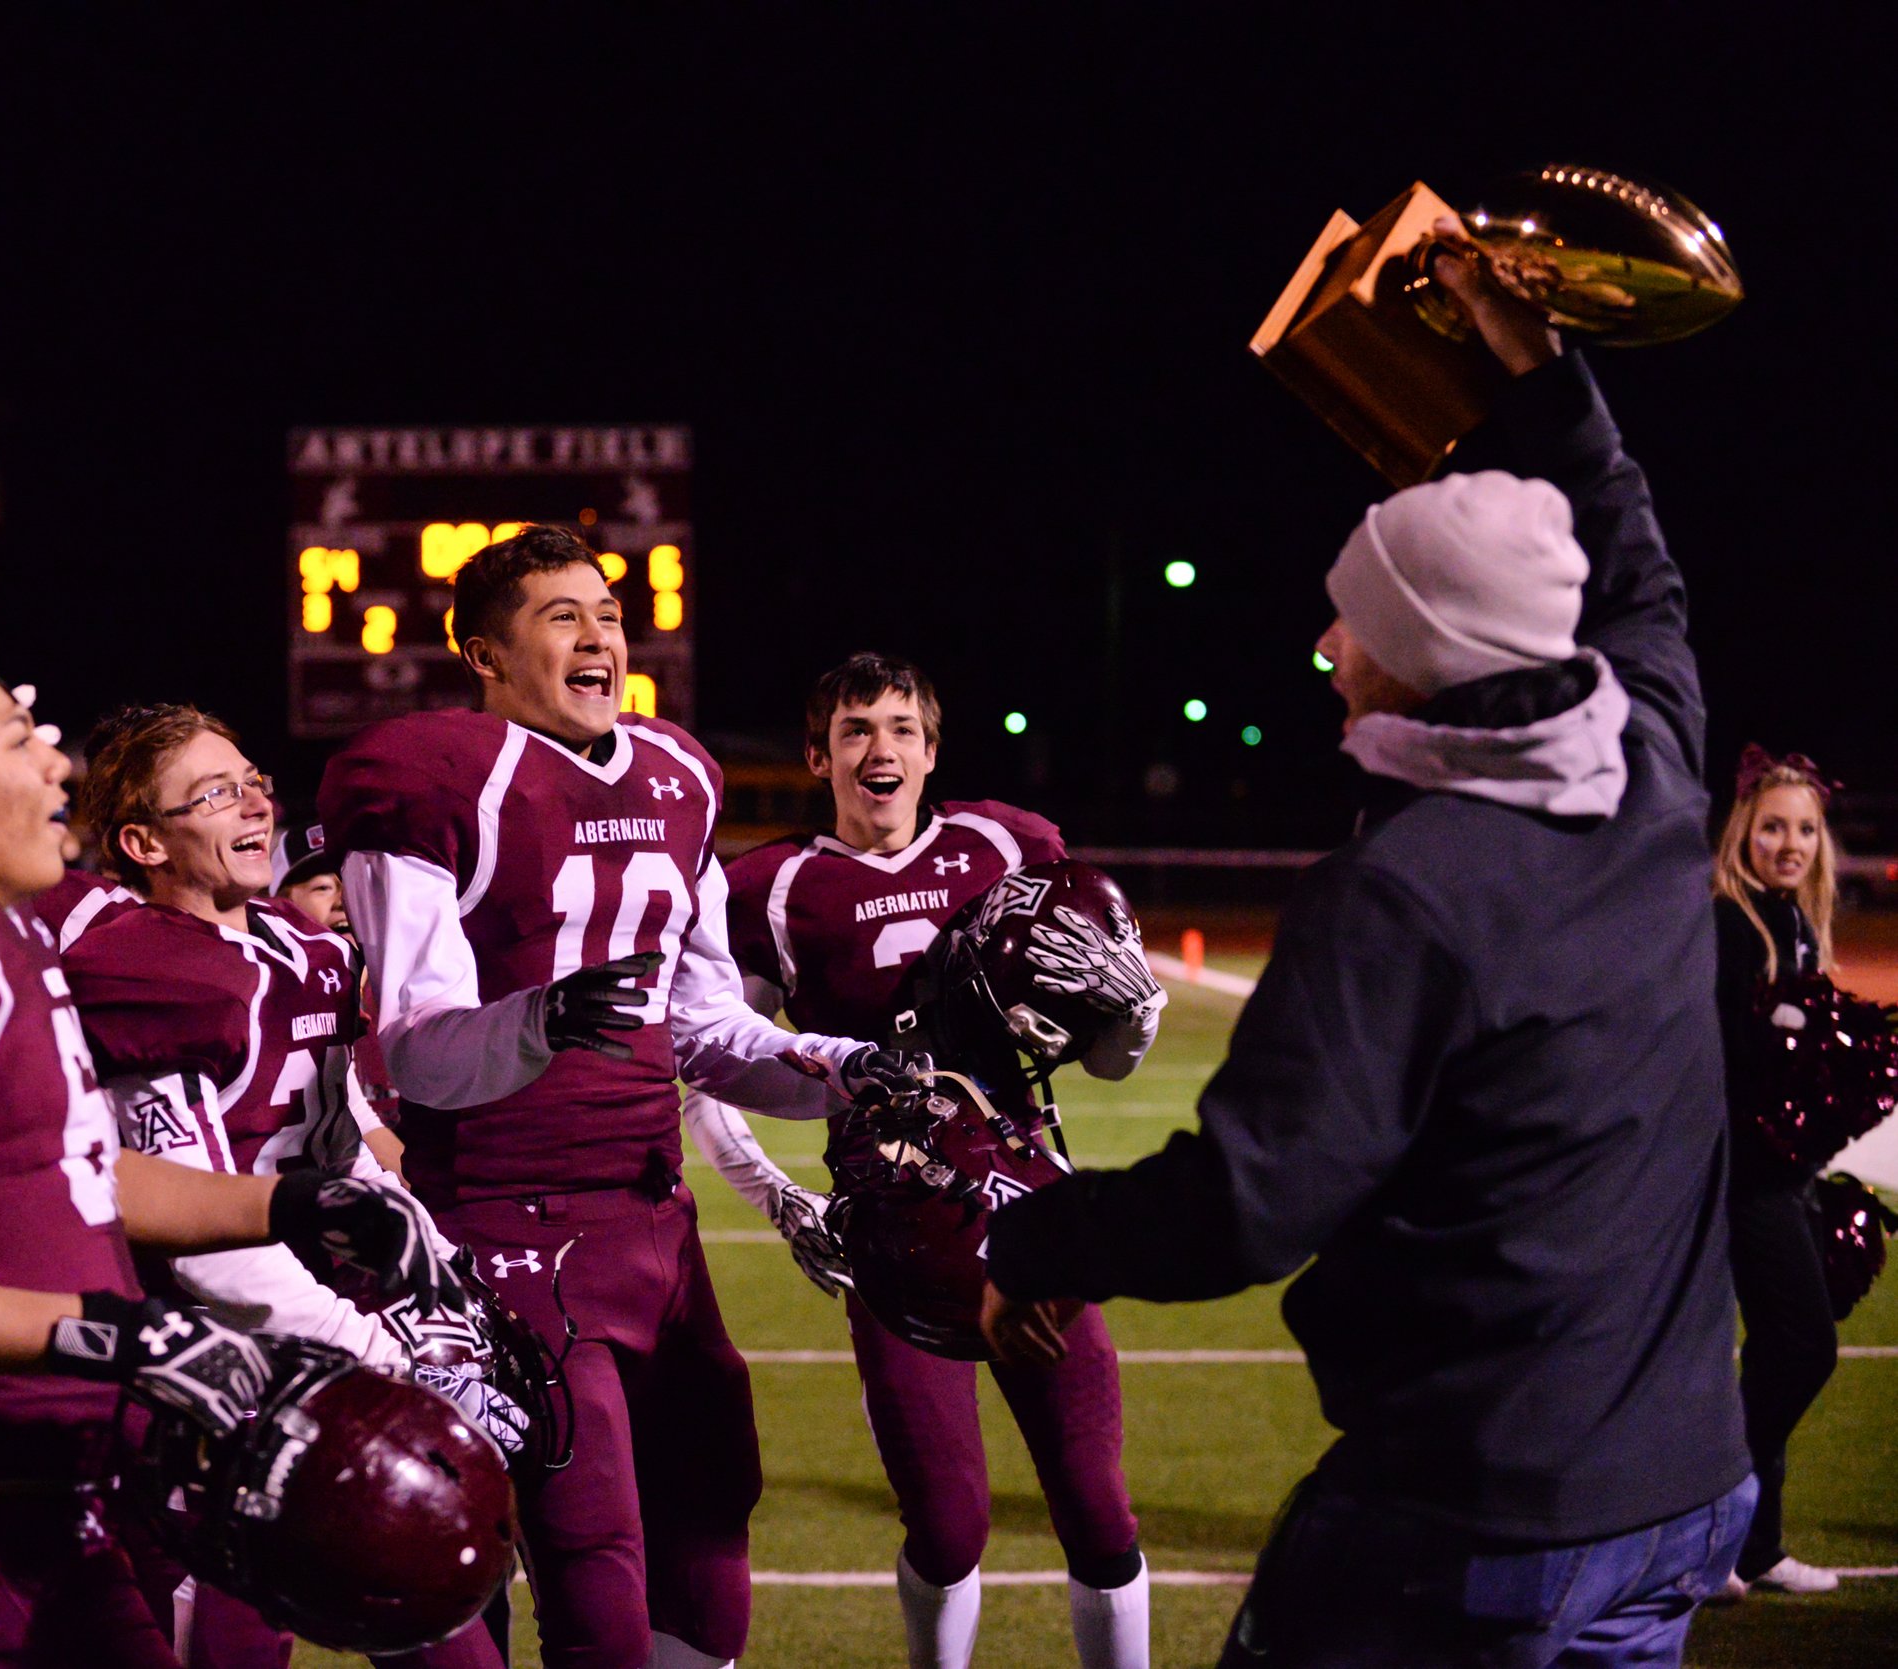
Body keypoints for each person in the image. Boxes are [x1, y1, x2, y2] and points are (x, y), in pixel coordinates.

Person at [980, 232, 1754, 1665]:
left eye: (1364, 615)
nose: (1333, 640)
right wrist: (1531, 355)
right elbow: (1629, 547)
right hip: (1684, 1487)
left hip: (1475, 1514)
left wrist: (1035, 1237)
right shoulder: (1653, 752)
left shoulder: (1401, 889)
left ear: (1430, 651)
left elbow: (1245, 1208)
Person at [0, 646, 456, 1669]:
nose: (58, 770)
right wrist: (123, 1338)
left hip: (50, 1485)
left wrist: (286, 1205)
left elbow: (76, 1173)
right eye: (19, 742)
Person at [320, 526, 930, 1669]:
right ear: (484, 655)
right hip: (510, 1224)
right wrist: (543, 1019)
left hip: (657, 1222)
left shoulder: (674, 774)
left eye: (605, 611)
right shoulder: (437, 779)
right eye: (561, 616)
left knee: (708, 1528)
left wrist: (845, 1069)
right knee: (591, 1543)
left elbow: (704, 1027)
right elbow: (418, 1054)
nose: (600, 633)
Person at [682, 652, 1155, 1669]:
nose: (878, 748)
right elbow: (711, 1068)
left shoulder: (1003, 844)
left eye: (899, 727)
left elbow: (1109, 1059)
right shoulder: (770, 888)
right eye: (854, 730)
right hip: (894, 1233)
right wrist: (778, 1198)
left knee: (1098, 1510)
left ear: (932, 749)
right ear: (817, 755)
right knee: (947, 1528)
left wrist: (1134, 1013)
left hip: (1030, 1211)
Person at [65, 702, 512, 1669]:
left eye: (251, 780)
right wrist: (379, 1357)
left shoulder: (306, 949)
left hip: (317, 1330)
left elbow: (343, 1144)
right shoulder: (147, 967)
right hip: (207, 1371)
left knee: (455, 1613)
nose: (251, 803)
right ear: (142, 839)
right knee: (224, 1637)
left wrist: (439, 1292)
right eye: (214, 792)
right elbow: (196, 1238)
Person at [1711, 745, 1847, 1599]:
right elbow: (1720, 1055)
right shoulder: (1730, 921)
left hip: (1779, 1169)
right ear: (1744, 833)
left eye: (1805, 827)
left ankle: (1753, 1544)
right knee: (1803, 1346)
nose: (1789, 842)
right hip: (1735, 1173)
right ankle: (1716, 1527)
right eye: (1773, 826)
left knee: (1777, 1351)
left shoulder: (1793, 920)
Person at [271, 817, 410, 1179]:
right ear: (277, 905)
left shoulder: (409, 983)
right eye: (321, 888)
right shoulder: (278, 1002)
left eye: (349, 882)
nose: (341, 900)